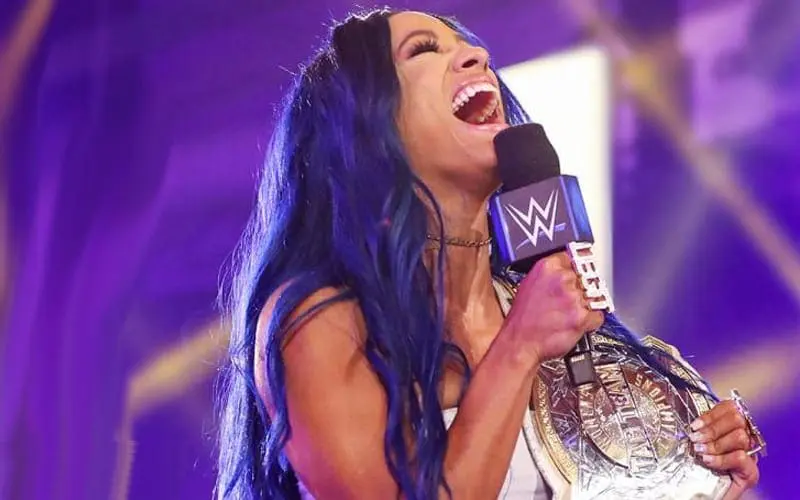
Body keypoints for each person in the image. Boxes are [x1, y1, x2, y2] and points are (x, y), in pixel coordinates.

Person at [216, 9, 761, 500]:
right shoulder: (324, 321)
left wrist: (697, 472)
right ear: (367, 127)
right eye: (424, 50)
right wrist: (519, 345)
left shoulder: (539, 309)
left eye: (469, 47)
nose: (477, 56)